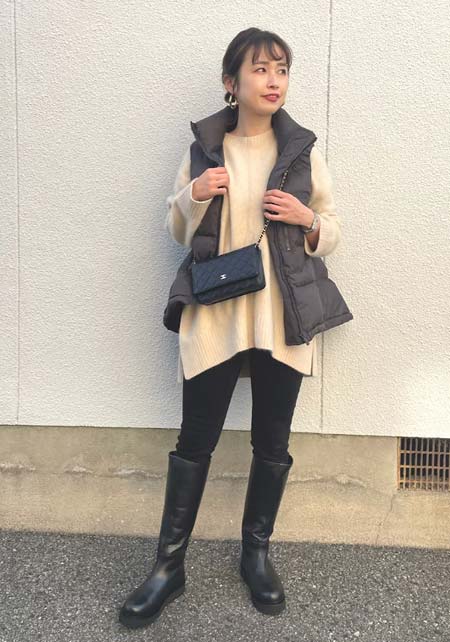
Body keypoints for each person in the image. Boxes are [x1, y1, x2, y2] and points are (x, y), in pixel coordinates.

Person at [119, 27, 352, 629]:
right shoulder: (205, 150)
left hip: (281, 317)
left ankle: (256, 555)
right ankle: (169, 567)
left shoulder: (301, 152)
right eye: (260, 69)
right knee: (194, 442)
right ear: (232, 82)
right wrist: (193, 195)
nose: (273, 81)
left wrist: (306, 219)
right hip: (216, 314)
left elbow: (332, 228)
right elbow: (177, 229)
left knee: (272, 443)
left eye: (282, 70)